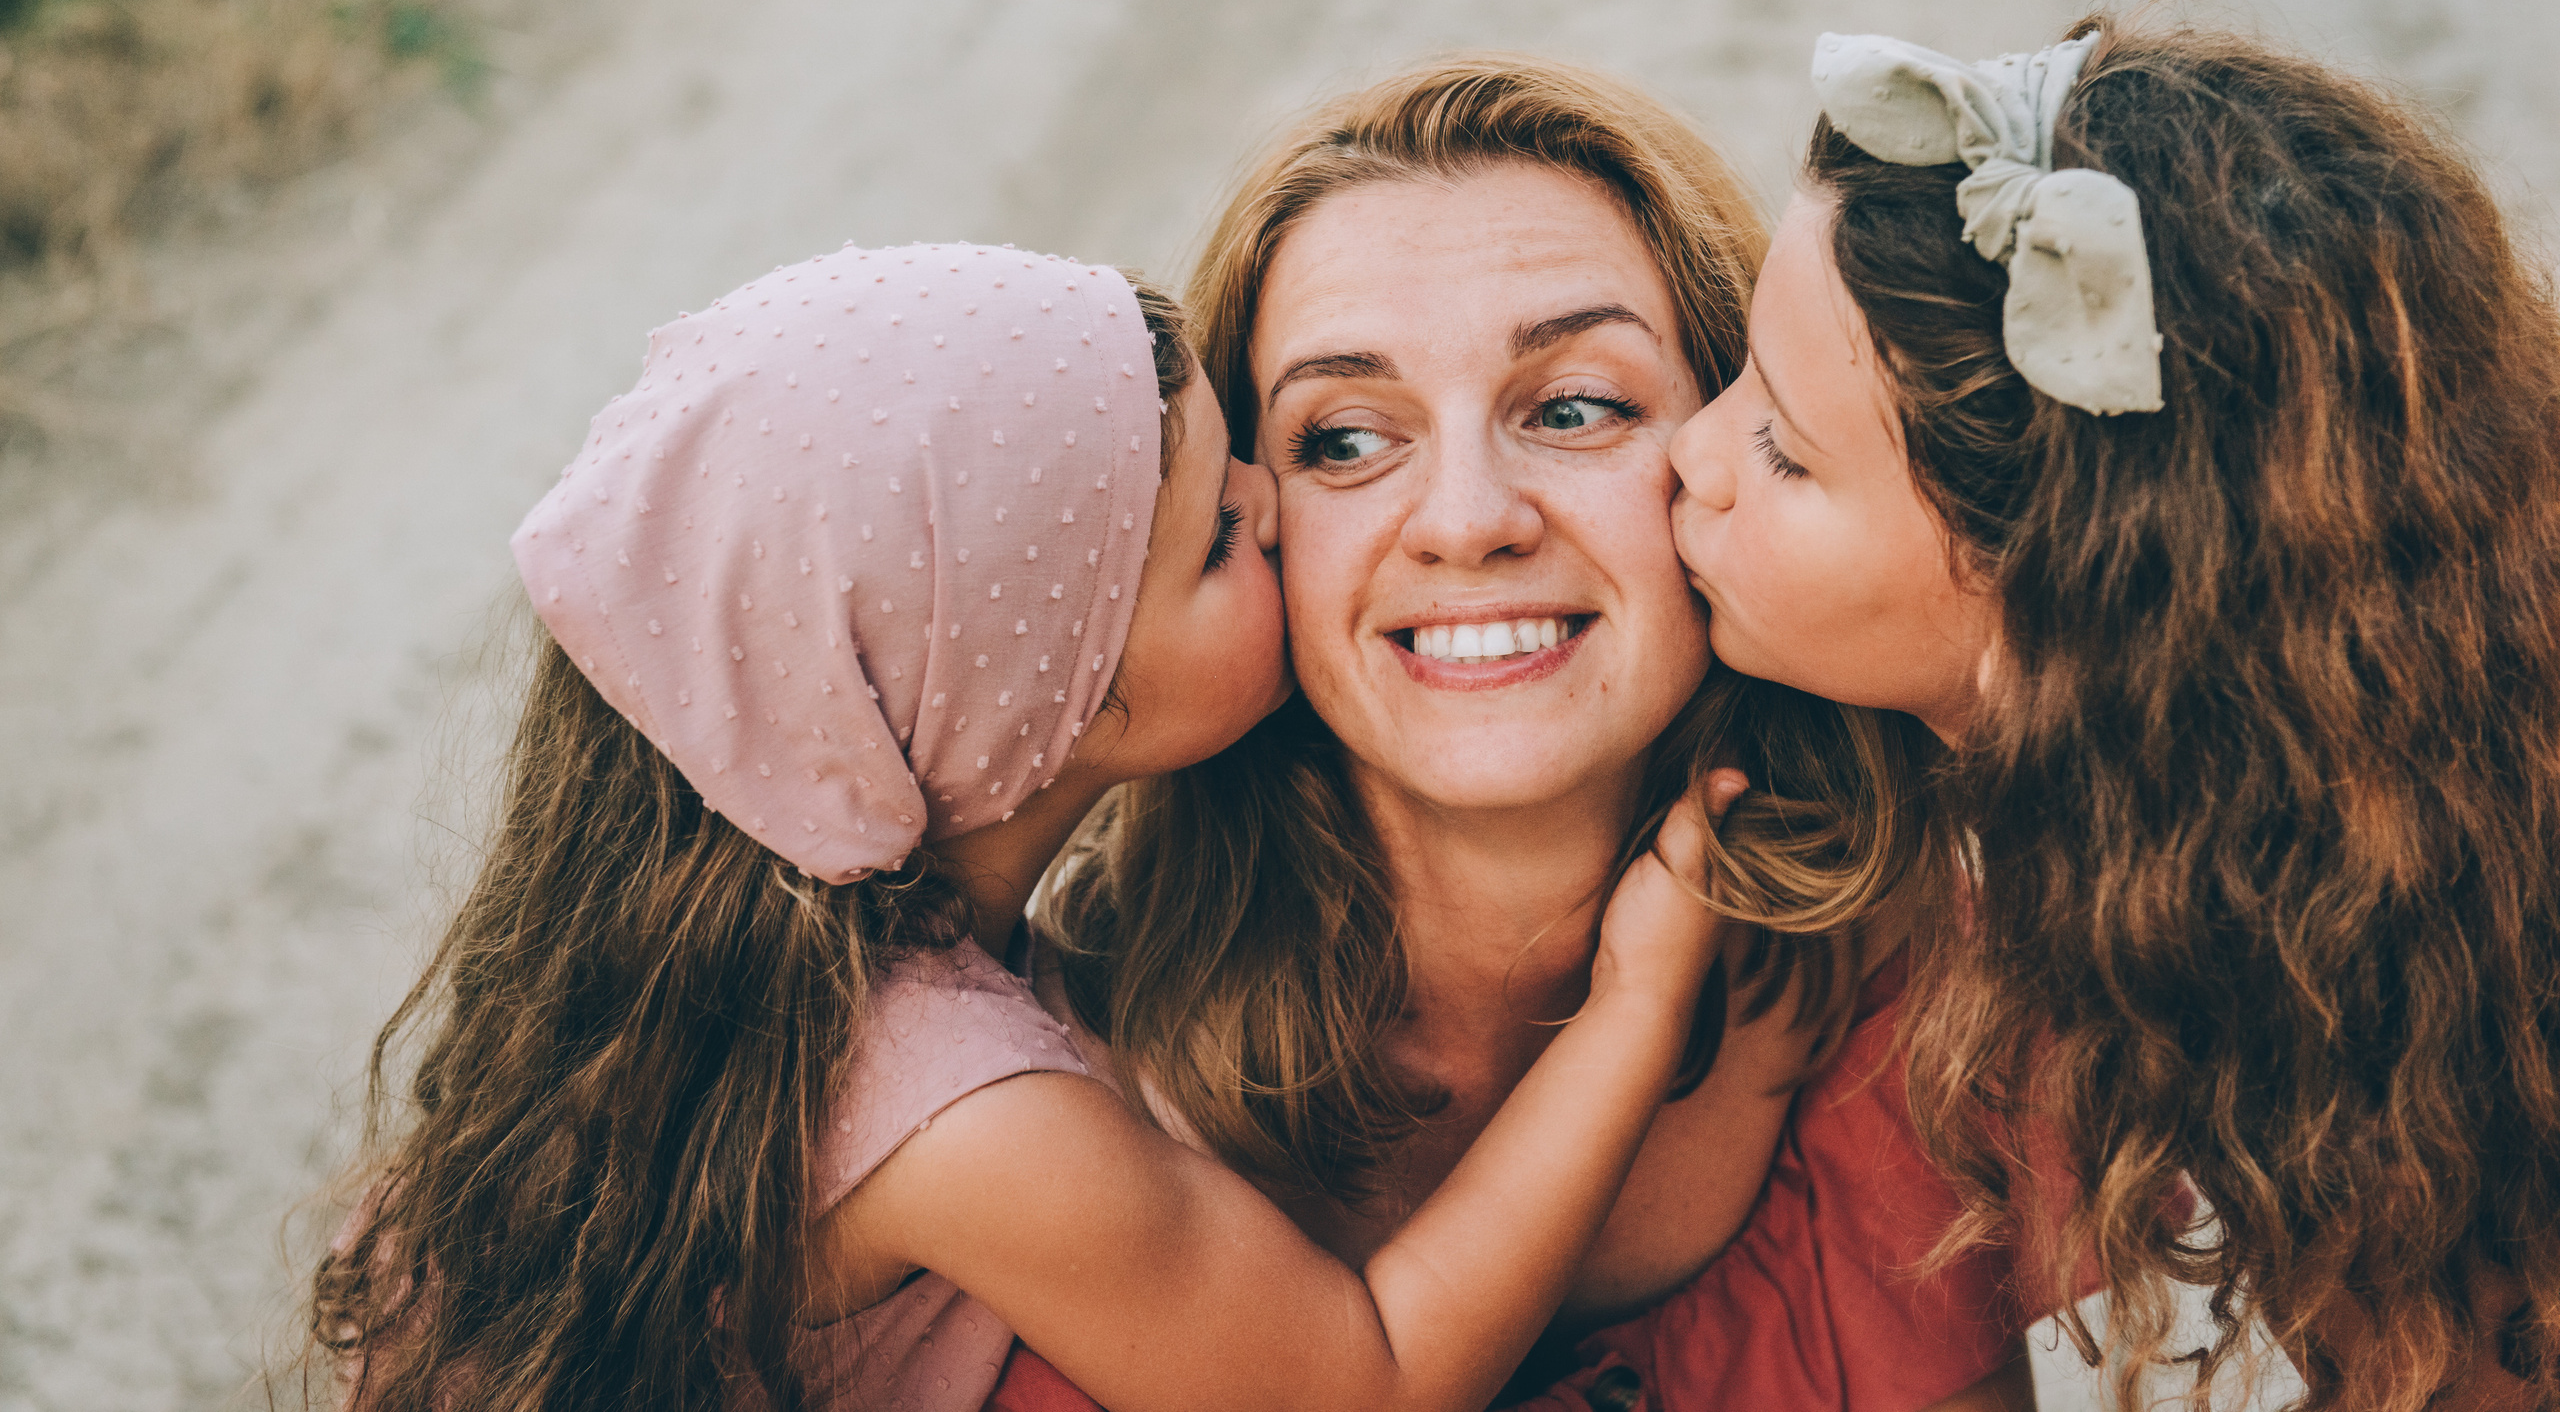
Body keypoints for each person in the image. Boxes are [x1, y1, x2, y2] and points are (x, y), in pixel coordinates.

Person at [304, 243, 1747, 1412]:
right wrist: (1634, 999)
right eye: (1222, 537)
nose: (1275, 503)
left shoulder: (795, 987)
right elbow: (1363, 1379)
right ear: (1046, 704)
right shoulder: (964, 1112)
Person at [1046, 56, 2037, 1412]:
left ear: (1737, 451)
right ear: (1233, 516)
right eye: (1343, 437)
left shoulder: (1944, 1012)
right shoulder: (1045, 1049)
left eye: (1574, 408)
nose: (1468, 517)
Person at [1666, 16, 2560, 1411]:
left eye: (1782, 448)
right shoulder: (2112, 846)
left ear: (2059, 604)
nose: (1694, 453)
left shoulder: (2368, 1040)